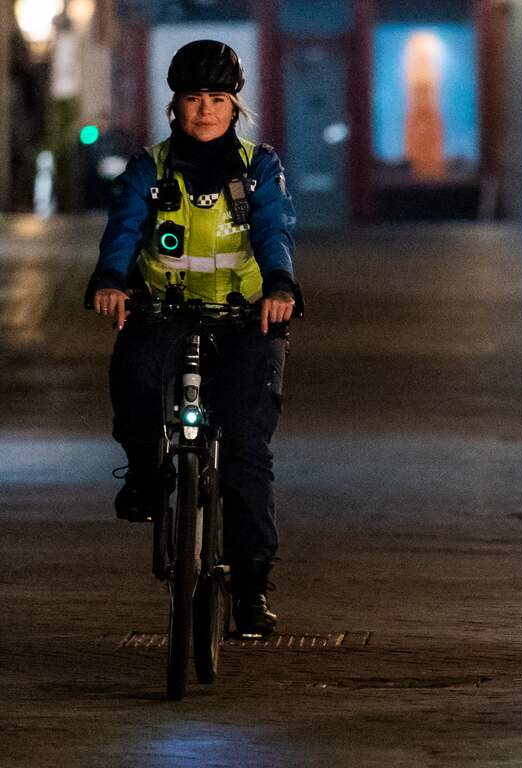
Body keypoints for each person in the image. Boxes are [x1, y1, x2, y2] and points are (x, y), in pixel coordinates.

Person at [86, 40, 300, 637]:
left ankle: (251, 588)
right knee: (133, 378)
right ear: (174, 105)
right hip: (163, 310)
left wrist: (281, 285)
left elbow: (274, 228)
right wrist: (110, 280)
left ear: (235, 107)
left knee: (245, 449)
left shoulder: (259, 167)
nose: (205, 110)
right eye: (193, 98)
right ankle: (143, 475)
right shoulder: (148, 169)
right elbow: (123, 229)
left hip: (246, 316)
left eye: (218, 99)